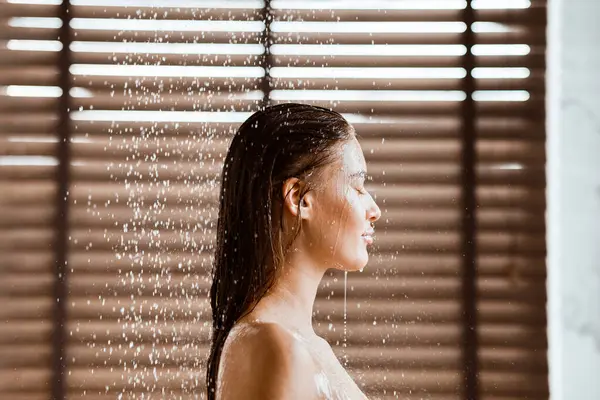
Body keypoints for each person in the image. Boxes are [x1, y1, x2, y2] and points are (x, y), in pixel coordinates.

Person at [206, 103, 381, 399]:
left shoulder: (302, 346)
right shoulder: (275, 347)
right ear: (299, 198)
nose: (374, 210)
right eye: (358, 186)